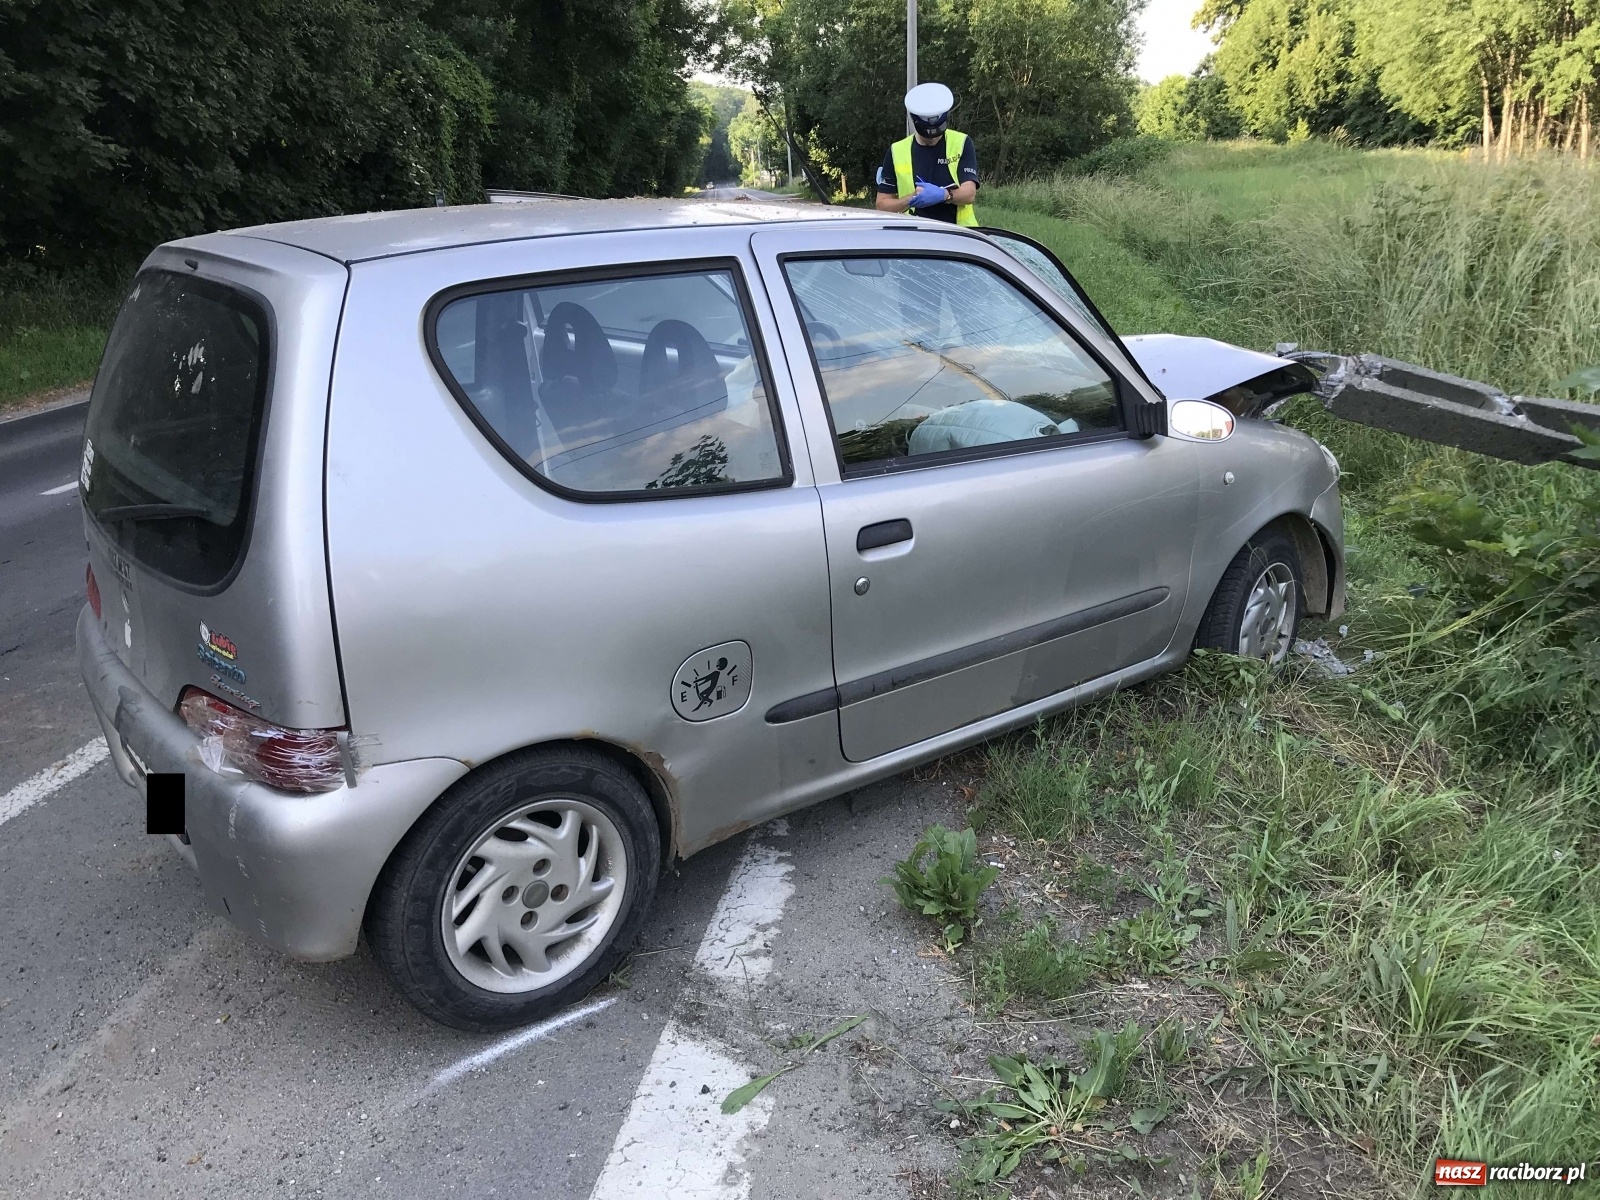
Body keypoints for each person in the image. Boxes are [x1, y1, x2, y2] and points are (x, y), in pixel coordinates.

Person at [874, 82, 979, 226]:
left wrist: (945, 195)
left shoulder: (962, 143)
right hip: (915, 237)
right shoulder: (896, 151)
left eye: (937, 133)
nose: (933, 138)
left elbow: (969, 193)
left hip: (959, 236)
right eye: (927, 135)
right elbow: (882, 205)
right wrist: (912, 198)